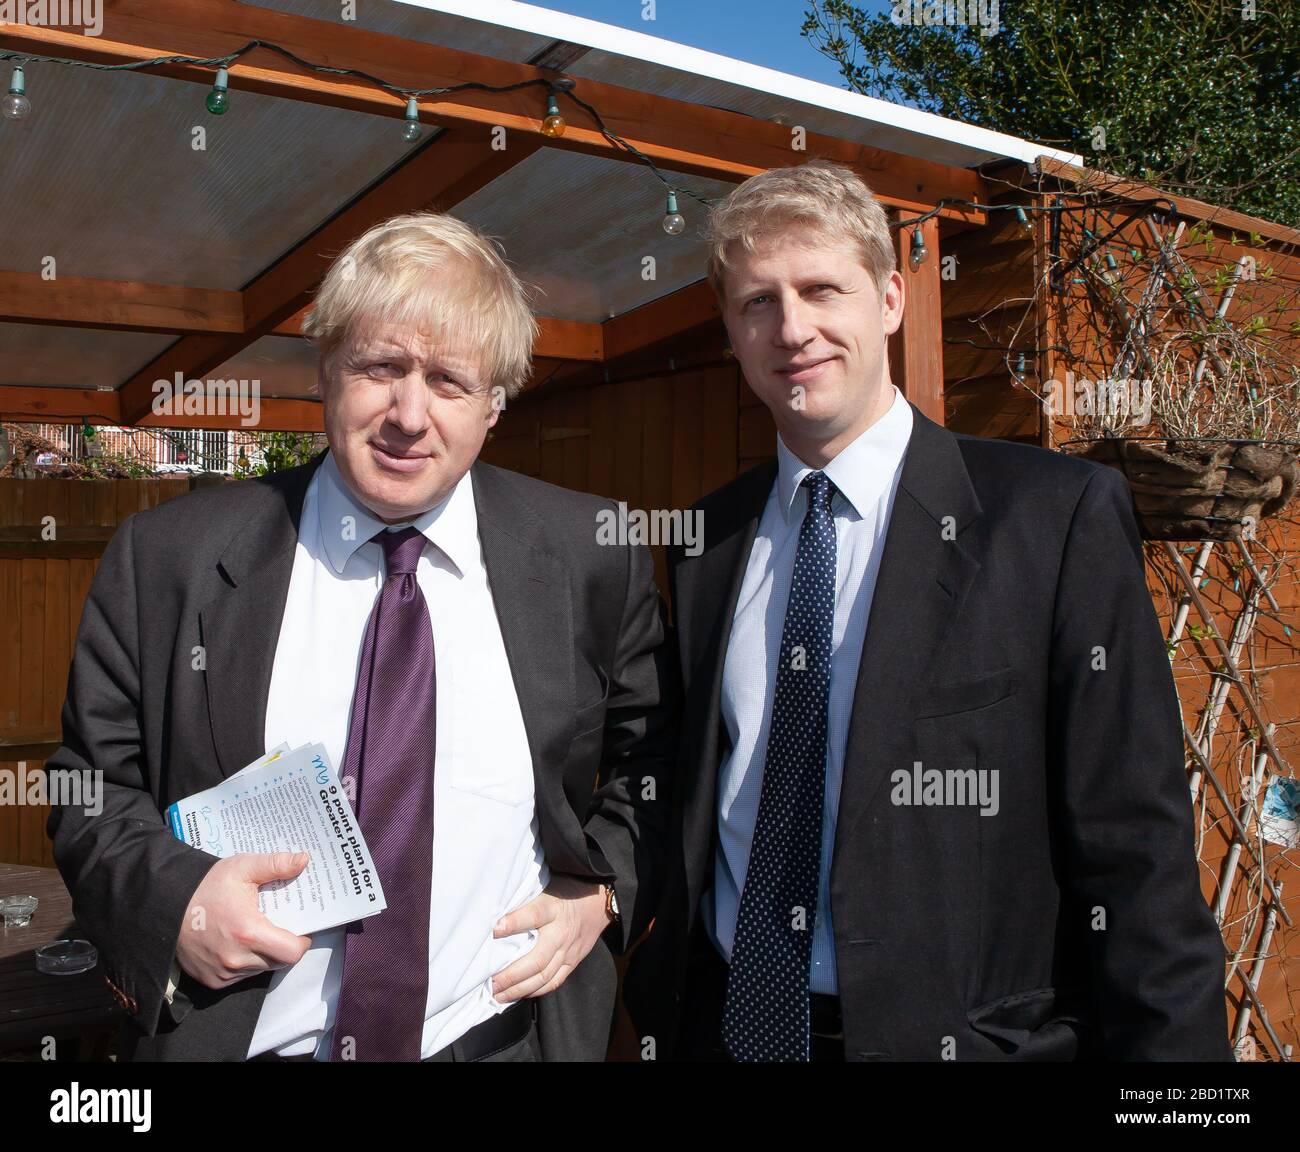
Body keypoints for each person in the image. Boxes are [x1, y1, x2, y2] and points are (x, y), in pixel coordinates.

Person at [623, 159, 1231, 1062]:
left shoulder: (1052, 517)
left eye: (823, 289)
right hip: (731, 1027)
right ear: (731, 332)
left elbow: (1134, 845)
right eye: (759, 303)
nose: (793, 329)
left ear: (893, 301)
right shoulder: (708, 538)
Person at [45, 211, 677, 1062]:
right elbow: (90, 790)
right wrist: (179, 905)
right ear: (325, 370)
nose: (408, 415)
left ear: (494, 405)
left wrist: (601, 893)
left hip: (499, 1037)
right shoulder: (170, 559)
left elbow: (655, 761)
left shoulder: (588, 553)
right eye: (380, 367)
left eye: (450, 380)